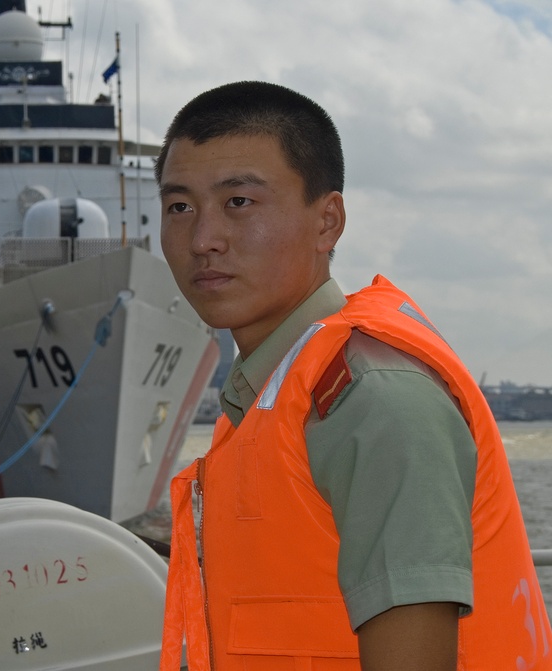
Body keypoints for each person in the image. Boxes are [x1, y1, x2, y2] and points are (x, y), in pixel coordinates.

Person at [156, 81, 552, 670]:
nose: (203, 240)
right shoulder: (270, 397)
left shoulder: (373, 399)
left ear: (328, 222)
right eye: (179, 207)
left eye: (239, 202)